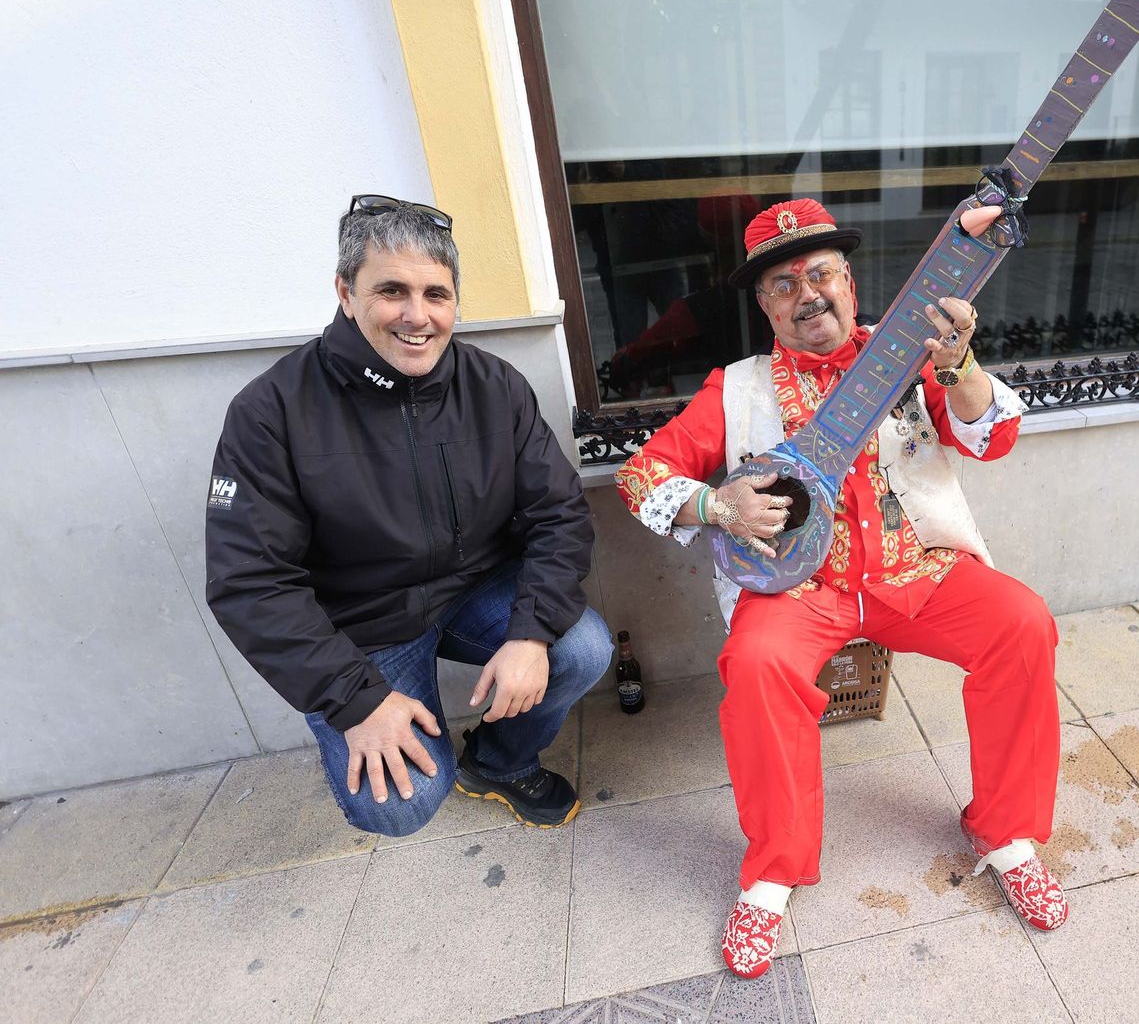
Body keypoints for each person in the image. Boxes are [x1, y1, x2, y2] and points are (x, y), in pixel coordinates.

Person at [614, 198, 1066, 979]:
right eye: (783, 285)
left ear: (849, 281)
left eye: (821, 273)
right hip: (802, 592)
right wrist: (716, 505)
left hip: (914, 570)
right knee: (756, 668)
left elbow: (991, 437)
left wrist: (960, 364)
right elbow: (640, 473)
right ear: (763, 306)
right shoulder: (738, 388)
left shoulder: (909, 352)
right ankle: (773, 873)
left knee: (1023, 624)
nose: (808, 294)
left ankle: (1008, 832)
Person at [206, 194, 611, 838]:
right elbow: (249, 582)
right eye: (392, 290)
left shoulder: (494, 386)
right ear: (345, 291)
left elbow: (557, 513)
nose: (418, 316)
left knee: (582, 648)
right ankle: (373, 726)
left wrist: (531, 636)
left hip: (475, 589)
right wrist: (355, 702)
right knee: (398, 807)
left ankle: (499, 761)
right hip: (363, 626)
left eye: (437, 294)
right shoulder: (271, 411)